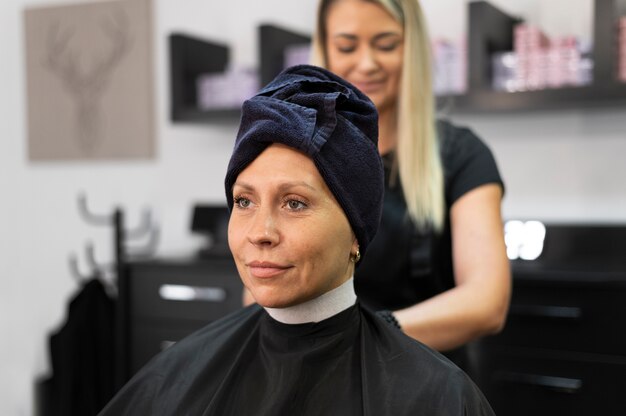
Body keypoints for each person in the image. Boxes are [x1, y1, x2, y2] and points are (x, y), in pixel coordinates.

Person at [98, 65, 495, 415]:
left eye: (294, 203)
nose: (260, 233)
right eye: (244, 200)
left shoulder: (438, 397)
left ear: (356, 233)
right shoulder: (175, 377)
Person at [306, 0, 512, 371]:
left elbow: (487, 301)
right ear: (324, 50)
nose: (367, 63)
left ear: (412, 48)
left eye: (386, 44)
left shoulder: (462, 154)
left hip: (426, 378)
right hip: (322, 375)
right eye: (347, 46)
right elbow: (257, 294)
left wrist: (364, 336)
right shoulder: (301, 155)